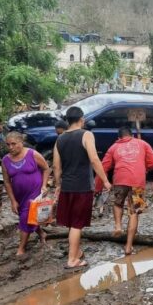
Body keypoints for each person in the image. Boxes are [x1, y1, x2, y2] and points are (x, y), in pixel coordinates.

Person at [53, 106, 111, 269]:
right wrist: (105, 180)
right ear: (81, 119)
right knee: (77, 224)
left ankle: (76, 252)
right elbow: (94, 159)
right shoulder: (86, 135)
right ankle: (72, 260)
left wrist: (58, 185)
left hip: (67, 186)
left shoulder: (60, 138)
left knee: (72, 222)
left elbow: (56, 166)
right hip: (82, 186)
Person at [95, 123, 153, 255]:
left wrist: (98, 187)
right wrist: (145, 168)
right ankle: (128, 247)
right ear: (132, 135)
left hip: (120, 179)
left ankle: (118, 226)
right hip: (137, 181)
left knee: (118, 203)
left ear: (118, 138)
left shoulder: (113, 147)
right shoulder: (142, 144)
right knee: (133, 212)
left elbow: (103, 167)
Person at [1, 132, 51, 256]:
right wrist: (13, 200)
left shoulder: (32, 154)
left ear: (21, 143)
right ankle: (41, 234)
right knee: (30, 216)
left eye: (14, 144)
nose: (10, 147)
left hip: (35, 192)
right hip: (20, 196)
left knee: (25, 217)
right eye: (8, 145)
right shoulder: (5, 160)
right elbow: (7, 182)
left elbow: (46, 168)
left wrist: (44, 185)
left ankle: (21, 248)